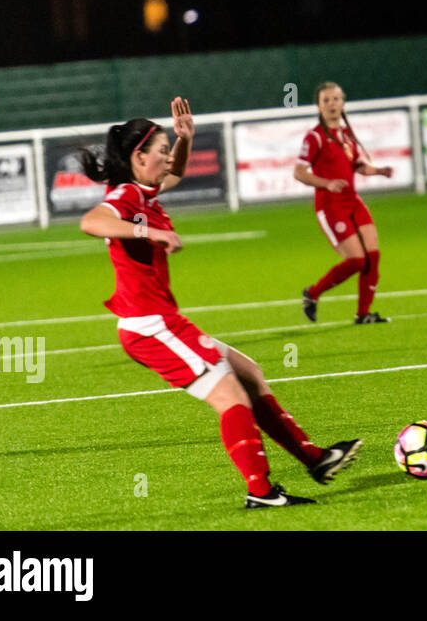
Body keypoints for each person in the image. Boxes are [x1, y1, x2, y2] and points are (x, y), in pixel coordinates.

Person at [78, 97, 361, 508]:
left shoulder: (143, 189)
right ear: (139, 156)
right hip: (149, 325)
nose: (167, 157)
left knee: (248, 373)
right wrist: (150, 235)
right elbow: (91, 222)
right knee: (232, 398)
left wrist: (183, 140)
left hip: (162, 320)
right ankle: (261, 491)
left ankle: (315, 459)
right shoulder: (126, 196)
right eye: (160, 150)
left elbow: (175, 171)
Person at [296, 82, 395, 324]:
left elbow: (357, 166)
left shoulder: (346, 134)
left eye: (336, 99)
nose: (331, 104)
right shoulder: (315, 137)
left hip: (353, 201)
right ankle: (313, 293)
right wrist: (325, 183)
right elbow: (299, 172)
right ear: (319, 105)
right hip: (330, 205)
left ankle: (363, 314)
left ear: (343, 102)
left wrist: (378, 171)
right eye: (326, 100)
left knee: (373, 255)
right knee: (357, 261)